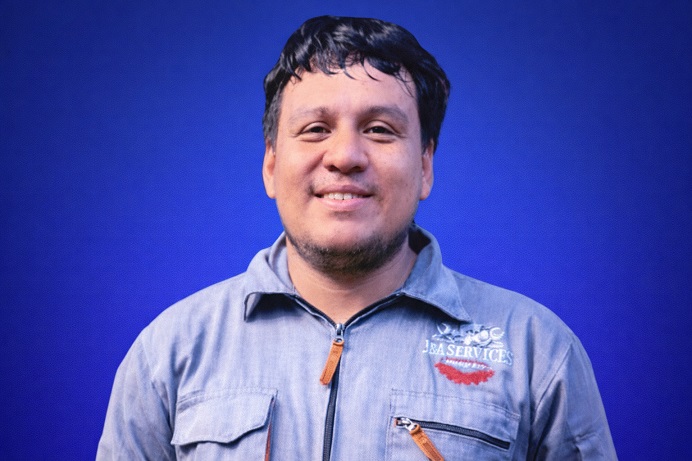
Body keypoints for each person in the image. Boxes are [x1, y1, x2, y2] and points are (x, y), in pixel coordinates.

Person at [97, 15, 617, 460]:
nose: (345, 156)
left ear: (425, 165)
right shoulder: (169, 353)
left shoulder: (536, 351)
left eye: (380, 129)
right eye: (315, 129)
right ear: (271, 164)